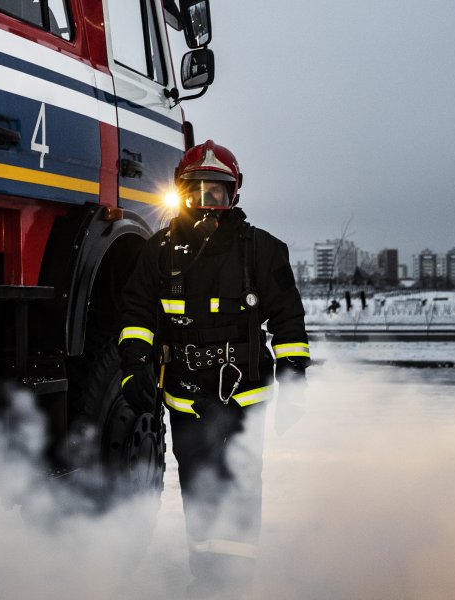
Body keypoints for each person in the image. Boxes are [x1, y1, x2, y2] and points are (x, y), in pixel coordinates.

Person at [117, 140, 310, 598]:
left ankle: (235, 584)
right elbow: (136, 312)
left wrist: (295, 378)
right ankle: (206, 577)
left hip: (244, 394)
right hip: (185, 394)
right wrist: (132, 367)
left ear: (234, 195)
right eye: (196, 191)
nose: (206, 202)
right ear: (180, 193)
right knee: (198, 485)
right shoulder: (158, 251)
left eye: (217, 193)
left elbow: (288, 317)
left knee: (240, 483)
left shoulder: (262, 250)